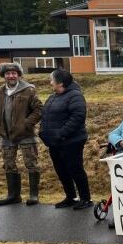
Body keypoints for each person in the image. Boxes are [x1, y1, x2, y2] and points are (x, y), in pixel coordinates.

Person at [0, 62, 43, 206]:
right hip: (6, 134)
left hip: (26, 134)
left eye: (14, 73)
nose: (11, 76)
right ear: (4, 76)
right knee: (8, 164)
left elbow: (38, 109)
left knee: (31, 163)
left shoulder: (29, 90)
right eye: (8, 73)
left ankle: (33, 195)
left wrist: (27, 123)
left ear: (19, 75)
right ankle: (13, 196)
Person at [39, 68, 92, 210]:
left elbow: (78, 117)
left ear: (60, 83)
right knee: (61, 170)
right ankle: (71, 197)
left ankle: (86, 199)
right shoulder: (53, 96)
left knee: (75, 169)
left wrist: (61, 133)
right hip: (54, 143)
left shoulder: (75, 96)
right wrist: (43, 132)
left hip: (71, 141)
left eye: (52, 80)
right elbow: (46, 116)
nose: (50, 82)